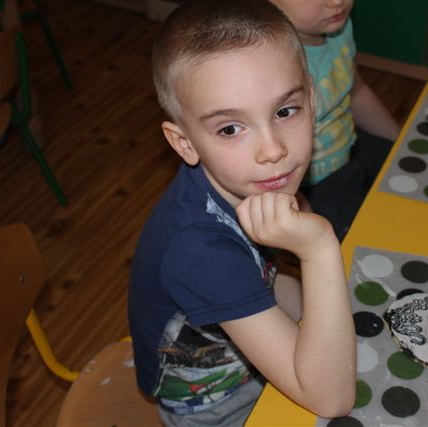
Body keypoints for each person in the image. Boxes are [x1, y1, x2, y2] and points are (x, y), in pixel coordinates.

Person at [127, 1, 356, 425]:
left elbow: (262, 277)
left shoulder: (244, 183)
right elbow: (332, 398)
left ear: (311, 98)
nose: (273, 150)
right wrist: (320, 249)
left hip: (248, 355)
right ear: (185, 143)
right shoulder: (200, 252)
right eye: (230, 128)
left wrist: (323, 314)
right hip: (216, 407)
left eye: (285, 111)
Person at [270, 0, 400, 241]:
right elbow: (269, 157)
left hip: (351, 146)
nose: (337, 1)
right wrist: (299, 211)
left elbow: (356, 91)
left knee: (410, 181)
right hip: (311, 186)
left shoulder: (338, 28)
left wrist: (400, 141)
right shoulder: (272, 65)